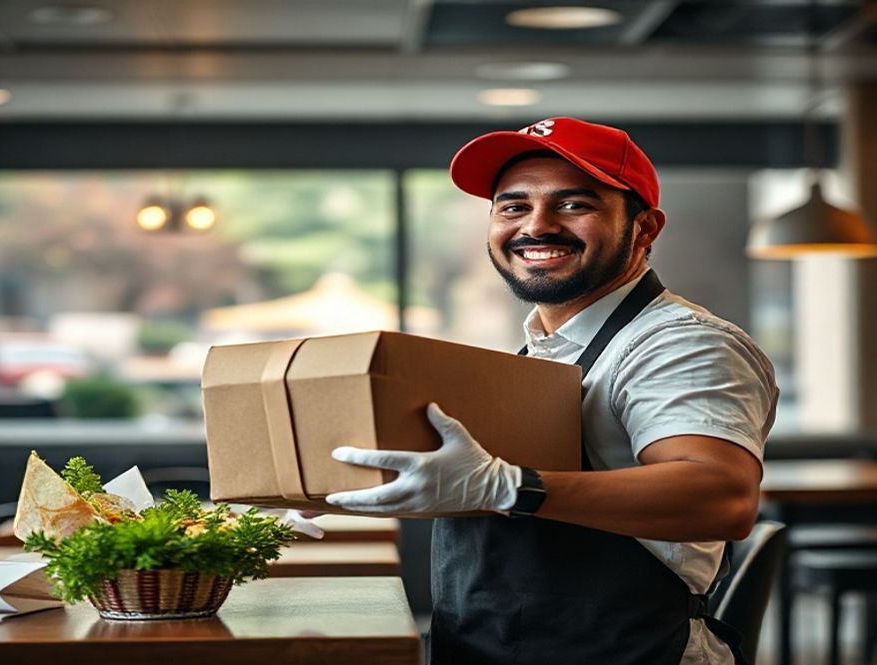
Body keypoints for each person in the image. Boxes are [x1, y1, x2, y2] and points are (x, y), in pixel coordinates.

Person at [325, 117, 779, 665]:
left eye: (574, 205)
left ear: (645, 228)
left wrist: (506, 487)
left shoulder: (678, 345)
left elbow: (720, 498)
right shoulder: (544, 350)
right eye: (513, 207)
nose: (536, 226)